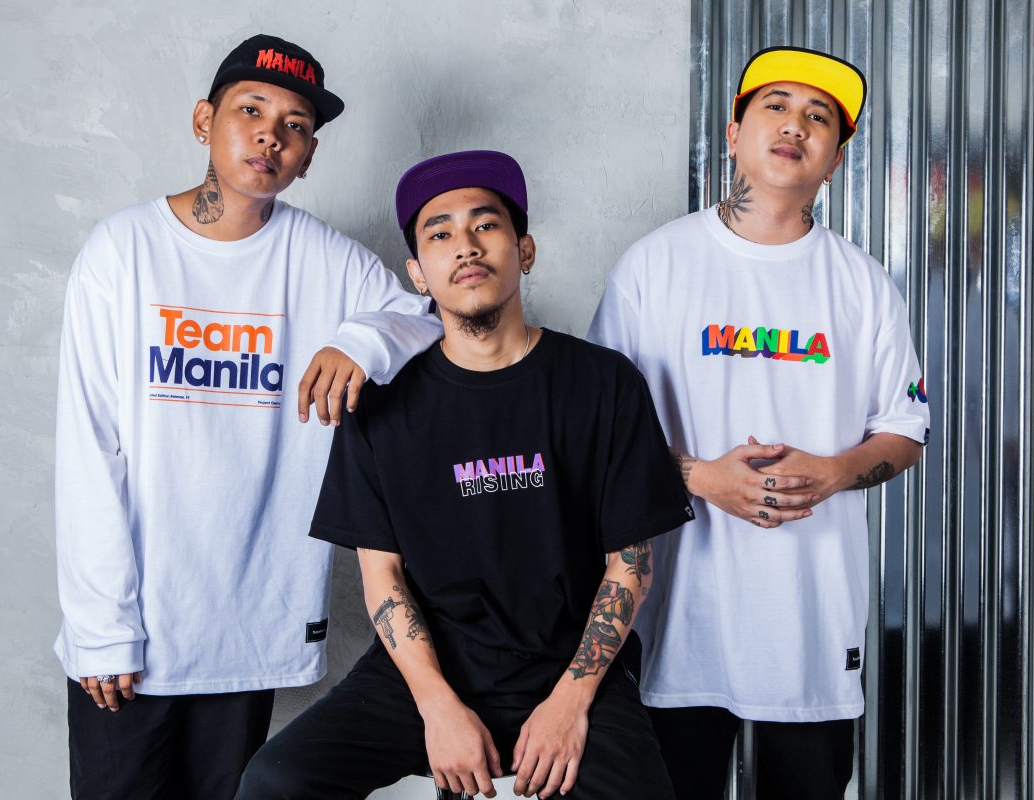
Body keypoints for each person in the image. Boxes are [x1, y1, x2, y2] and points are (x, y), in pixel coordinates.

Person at [53, 33, 442, 799]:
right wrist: (101, 627)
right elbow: (89, 448)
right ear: (205, 121)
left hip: (244, 627)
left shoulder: (325, 260)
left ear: (308, 156)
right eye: (251, 111)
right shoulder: (123, 250)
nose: (271, 135)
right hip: (131, 634)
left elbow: (424, 319)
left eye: (295, 125)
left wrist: (361, 340)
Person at [235, 150, 692, 800]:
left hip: (571, 664)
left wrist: (570, 703)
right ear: (418, 273)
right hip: (429, 666)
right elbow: (383, 578)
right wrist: (437, 706)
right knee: (275, 782)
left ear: (524, 250)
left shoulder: (604, 383)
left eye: (486, 225)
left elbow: (631, 565)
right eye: (440, 233)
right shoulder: (381, 405)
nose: (466, 246)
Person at [587, 47, 930, 799]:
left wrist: (836, 471)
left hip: (811, 621)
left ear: (834, 162)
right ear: (734, 134)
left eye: (819, 117)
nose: (795, 125)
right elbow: (595, 431)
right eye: (776, 105)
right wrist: (698, 477)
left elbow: (905, 429)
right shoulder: (652, 266)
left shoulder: (864, 285)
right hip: (677, 618)